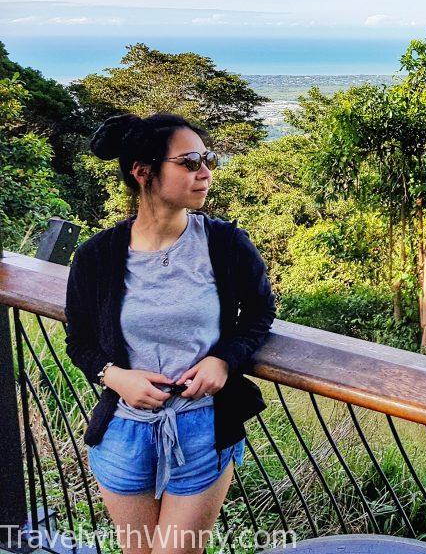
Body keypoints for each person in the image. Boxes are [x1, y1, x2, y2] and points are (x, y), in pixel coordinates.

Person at [64, 112, 276, 554]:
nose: (206, 172)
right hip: (124, 429)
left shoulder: (225, 244)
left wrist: (224, 358)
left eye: (208, 159)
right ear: (144, 172)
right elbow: (79, 339)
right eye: (190, 162)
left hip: (202, 426)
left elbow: (260, 311)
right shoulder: (97, 257)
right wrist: (114, 375)